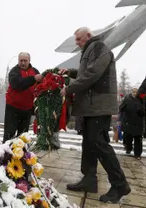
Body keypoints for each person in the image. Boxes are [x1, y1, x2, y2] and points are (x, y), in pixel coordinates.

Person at [59, 27, 131, 203]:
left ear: (88, 36)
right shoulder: (89, 50)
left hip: (98, 104)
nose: (76, 43)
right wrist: (70, 72)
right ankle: (89, 180)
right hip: (91, 106)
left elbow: (92, 74)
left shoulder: (98, 47)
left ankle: (120, 184)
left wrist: (69, 89)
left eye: (78, 39)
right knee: (89, 143)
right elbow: (85, 72)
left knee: (99, 143)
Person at [3, 52, 43, 142]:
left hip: (27, 109)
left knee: (23, 136)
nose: (23, 63)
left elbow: (40, 86)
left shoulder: (35, 71)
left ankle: (22, 154)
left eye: (25, 60)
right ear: (18, 61)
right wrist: (33, 79)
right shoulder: (14, 72)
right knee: (9, 134)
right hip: (13, 108)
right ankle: (6, 154)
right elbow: (17, 85)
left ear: (29, 61)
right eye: (21, 60)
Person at [119, 88, 144, 158]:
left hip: (138, 122)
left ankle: (138, 154)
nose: (135, 93)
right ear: (131, 92)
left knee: (138, 139)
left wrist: (141, 111)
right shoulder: (127, 99)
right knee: (128, 137)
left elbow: (145, 109)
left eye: (136, 92)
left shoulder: (141, 99)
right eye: (133, 92)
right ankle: (128, 149)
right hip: (128, 122)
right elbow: (121, 108)